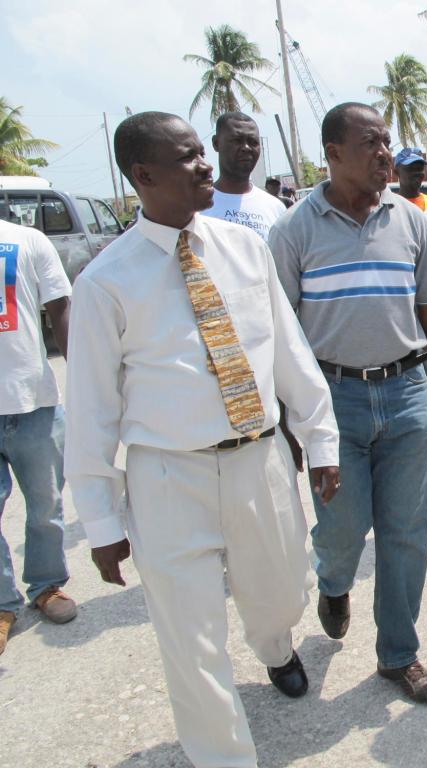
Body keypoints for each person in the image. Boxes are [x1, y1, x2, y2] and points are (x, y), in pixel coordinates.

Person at [64, 111, 340, 768]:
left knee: (282, 591)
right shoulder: (105, 282)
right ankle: (223, 756)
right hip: (167, 478)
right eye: (189, 157)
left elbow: (289, 354)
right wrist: (101, 520)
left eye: (201, 153)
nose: (206, 166)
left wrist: (320, 440)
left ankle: (275, 646)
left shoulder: (246, 249)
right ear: (144, 175)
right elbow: (91, 411)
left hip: (259, 460)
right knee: (190, 639)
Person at [269, 102, 427, 703]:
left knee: (407, 530)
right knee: (341, 529)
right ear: (333, 154)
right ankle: (333, 584)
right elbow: (278, 334)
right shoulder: (294, 230)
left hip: (408, 393)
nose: (385, 153)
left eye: (388, 142)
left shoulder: (412, 222)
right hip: (331, 402)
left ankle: (398, 655)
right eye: (371, 144)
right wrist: (288, 422)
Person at [0, 217, 76, 657]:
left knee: (46, 507)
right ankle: (2, 605)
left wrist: (84, 385)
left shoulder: (26, 240)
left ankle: (47, 587)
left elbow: (60, 309)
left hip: (34, 402)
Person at [201, 112, 286, 241]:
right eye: (236, 140)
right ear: (216, 143)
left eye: (253, 142)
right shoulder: (196, 207)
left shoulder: (276, 208)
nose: (246, 148)